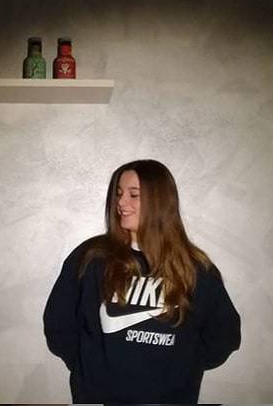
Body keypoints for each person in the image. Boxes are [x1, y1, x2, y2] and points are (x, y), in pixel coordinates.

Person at [43, 159, 241, 404]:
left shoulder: (194, 267)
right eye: (119, 193)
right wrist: (87, 367)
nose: (121, 202)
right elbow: (58, 321)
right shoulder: (91, 258)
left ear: (159, 201)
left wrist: (184, 368)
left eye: (133, 195)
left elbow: (225, 334)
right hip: (97, 398)